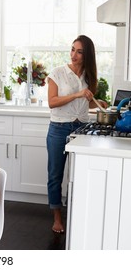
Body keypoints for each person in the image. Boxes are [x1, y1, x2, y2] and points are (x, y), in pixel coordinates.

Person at [46, 35, 108, 234]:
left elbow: (82, 103)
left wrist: (95, 103)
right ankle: (57, 217)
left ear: (87, 55)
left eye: (79, 51)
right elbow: (52, 102)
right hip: (59, 128)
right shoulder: (58, 73)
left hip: (81, 129)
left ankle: (77, 213)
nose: (74, 54)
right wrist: (78, 94)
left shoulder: (89, 77)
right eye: (72, 49)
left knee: (79, 175)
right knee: (56, 175)